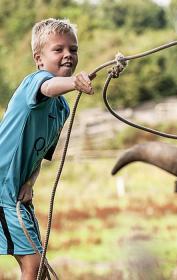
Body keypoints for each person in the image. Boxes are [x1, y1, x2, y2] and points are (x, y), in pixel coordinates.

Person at [0, 18, 94, 279]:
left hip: (15, 196)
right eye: (58, 50)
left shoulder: (61, 108)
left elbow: (39, 154)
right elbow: (48, 86)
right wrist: (75, 82)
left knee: (37, 268)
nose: (68, 55)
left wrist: (30, 182)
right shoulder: (35, 82)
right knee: (33, 265)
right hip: (1, 191)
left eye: (73, 50)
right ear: (39, 58)